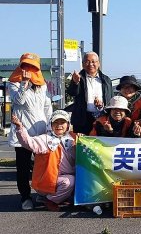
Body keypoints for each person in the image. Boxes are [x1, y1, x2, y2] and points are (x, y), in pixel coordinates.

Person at [7, 52, 53, 210]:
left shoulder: (42, 85)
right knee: (23, 167)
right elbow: (18, 101)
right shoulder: (13, 82)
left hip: (40, 132)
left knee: (43, 166)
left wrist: (49, 127)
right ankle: (25, 197)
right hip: (22, 133)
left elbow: (47, 106)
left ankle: (42, 193)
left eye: (32, 66)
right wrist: (24, 83)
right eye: (25, 65)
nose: (28, 69)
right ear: (21, 66)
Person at [12, 110, 76, 212]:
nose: (59, 125)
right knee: (70, 182)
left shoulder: (72, 139)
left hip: (61, 179)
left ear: (68, 125)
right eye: (56, 122)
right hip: (46, 181)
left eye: (62, 122)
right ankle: (50, 200)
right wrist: (20, 128)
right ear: (50, 124)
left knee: (76, 179)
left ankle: (57, 197)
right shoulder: (45, 139)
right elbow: (29, 143)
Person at [67, 52, 113, 134]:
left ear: (98, 63)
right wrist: (75, 83)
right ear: (83, 64)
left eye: (93, 61)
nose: (90, 64)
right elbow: (71, 93)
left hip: (102, 119)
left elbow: (111, 99)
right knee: (83, 145)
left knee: (101, 144)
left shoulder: (106, 80)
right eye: (87, 62)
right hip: (82, 120)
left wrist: (102, 105)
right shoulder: (78, 78)